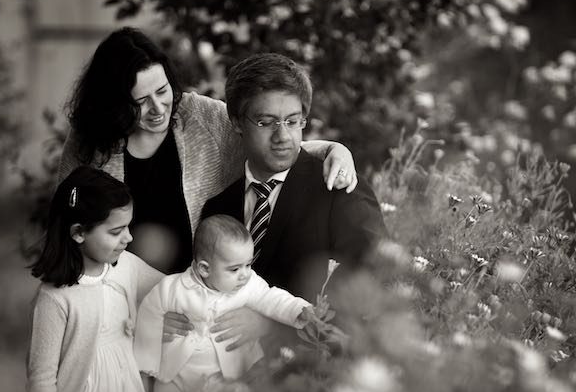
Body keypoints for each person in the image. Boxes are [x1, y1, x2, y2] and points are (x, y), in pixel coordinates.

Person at [57, 26, 359, 277]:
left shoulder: (201, 116)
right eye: (140, 101)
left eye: (162, 91)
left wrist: (333, 149)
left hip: (196, 296)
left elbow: (268, 137)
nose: (158, 109)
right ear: (113, 104)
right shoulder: (90, 141)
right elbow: (67, 222)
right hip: (116, 292)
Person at [201, 52, 387, 337]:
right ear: (237, 122)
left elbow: (373, 285)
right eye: (266, 122)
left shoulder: (339, 190)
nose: (283, 136)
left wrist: (272, 328)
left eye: (292, 121)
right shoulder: (218, 208)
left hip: (308, 367)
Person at [16, 165, 163, 392]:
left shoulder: (125, 266)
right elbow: (41, 377)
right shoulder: (56, 298)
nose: (128, 238)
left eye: (128, 227)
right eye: (116, 231)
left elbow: (171, 290)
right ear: (79, 233)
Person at [134, 215, 313, 392]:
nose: (245, 274)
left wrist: (299, 310)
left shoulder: (249, 285)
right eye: (235, 269)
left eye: (249, 265)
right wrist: (147, 364)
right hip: (177, 372)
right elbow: (150, 314)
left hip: (224, 373)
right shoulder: (173, 288)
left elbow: (272, 298)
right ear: (204, 269)